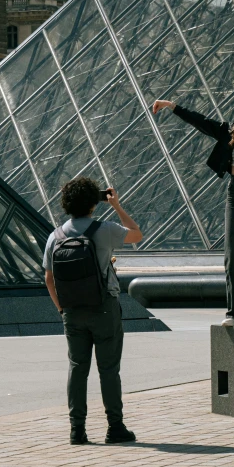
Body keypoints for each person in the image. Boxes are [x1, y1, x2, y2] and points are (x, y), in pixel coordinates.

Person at [153, 94, 234, 327]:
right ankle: (233, 313)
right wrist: (172, 106)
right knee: (233, 257)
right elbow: (201, 122)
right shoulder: (231, 133)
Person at [43, 177, 142, 446]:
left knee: (77, 369)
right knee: (108, 369)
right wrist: (117, 206)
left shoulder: (56, 236)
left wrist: (62, 309)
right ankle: (115, 427)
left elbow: (49, 280)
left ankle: (77, 430)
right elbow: (136, 234)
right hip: (104, 309)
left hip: (72, 312)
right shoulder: (105, 229)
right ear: (92, 203)